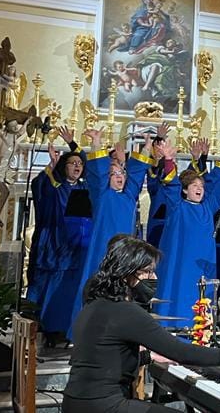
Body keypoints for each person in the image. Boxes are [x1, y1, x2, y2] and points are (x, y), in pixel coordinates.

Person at [63, 235, 220, 413]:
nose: (153, 278)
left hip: (76, 402)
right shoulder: (126, 312)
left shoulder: (96, 304)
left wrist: (147, 356)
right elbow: (181, 352)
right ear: (127, 273)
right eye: (147, 271)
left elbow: (102, 356)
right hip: (104, 406)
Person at [69, 129, 154, 333]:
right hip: (102, 252)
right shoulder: (101, 194)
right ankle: (86, 331)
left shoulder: (128, 196)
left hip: (124, 256)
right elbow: (97, 172)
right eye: (114, 174)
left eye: (121, 173)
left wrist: (148, 147)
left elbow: (136, 175)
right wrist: (96, 143)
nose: (119, 177)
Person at [154, 137, 220, 326]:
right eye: (194, 186)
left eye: (201, 186)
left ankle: (201, 332)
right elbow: (172, 184)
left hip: (204, 264)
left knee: (202, 297)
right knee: (178, 294)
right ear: (185, 191)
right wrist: (168, 160)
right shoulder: (177, 205)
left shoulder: (208, 206)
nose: (199, 189)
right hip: (180, 263)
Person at [28, 139, 93, 346]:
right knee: (49, 292)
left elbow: (93, 167)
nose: (77, 166)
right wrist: (52, 165)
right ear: (63, 167)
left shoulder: (86, 189)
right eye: (72, 163)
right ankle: (45, 330)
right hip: (54, 249)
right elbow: (40, 186)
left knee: (71, 292)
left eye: (79, 164)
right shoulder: (55, 187)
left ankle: (67, 330)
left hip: (77, 251)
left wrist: (74, 144)